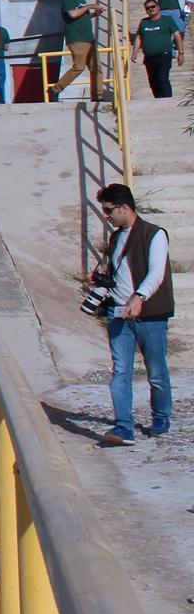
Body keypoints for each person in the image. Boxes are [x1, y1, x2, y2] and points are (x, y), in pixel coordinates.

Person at [90, 183, 173, 445]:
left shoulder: (154, 234)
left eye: (108, 210)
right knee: (121, 371)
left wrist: (139, 296)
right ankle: (123, 426)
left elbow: (156, 273)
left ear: (124, 207)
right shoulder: (115, 238)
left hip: (150, 315)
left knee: (156, 372)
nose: (106, 216)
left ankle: (161, 416)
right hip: (118, 314)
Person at [51, 0, 106, 101]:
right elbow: (73, 14)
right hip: (77, 39)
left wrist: (95, 14)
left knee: (96, 68)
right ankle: (56, 89)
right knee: (79, 67)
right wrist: (90, 6)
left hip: (89, 38)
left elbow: (82, 16)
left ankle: (97, 96)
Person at [131, 0, 185, 98]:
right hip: (149, 58)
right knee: (153, 81)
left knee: (162, 78)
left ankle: (167, 100)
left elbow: (177, 35)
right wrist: (134, 52)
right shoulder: (144, 22)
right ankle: (159, 100)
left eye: (153, 6)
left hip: (164, 55)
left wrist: (181, 53)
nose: (150, 9)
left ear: (158, 7)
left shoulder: (167, 20)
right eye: (148, 8)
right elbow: (139, 37)